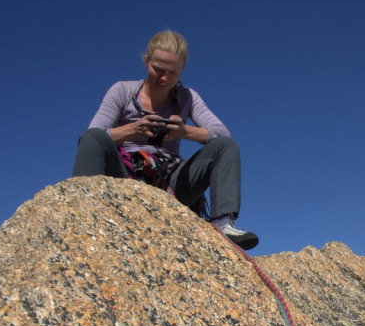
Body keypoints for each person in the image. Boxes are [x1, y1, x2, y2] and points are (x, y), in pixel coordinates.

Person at [72, 30, 258, 250]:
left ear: (182, 70)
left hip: (170, 180)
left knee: (225, 147)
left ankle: (222, 223)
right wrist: (134, 129)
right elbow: (95, 133)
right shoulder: (122, 91)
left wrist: (183, 132)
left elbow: (222, 133)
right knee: (92, 138)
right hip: (125, 174)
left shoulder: (187, 97)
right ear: (145, 60)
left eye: (173, 72)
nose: (164, 78)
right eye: (158, 69)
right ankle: (82, 213)